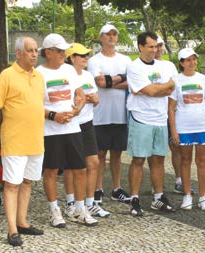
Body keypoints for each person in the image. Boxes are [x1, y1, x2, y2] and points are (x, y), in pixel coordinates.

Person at [37, 33, 98, 227]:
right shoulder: (38, 73)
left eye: (64, 50)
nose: (64, 54)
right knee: (52, 170)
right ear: (48, 52)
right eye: (59, 50)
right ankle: (54, 210)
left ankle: (80, 209)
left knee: (80, 168)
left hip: (72, 127)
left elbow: (80, 95)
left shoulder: (70, 71)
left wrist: (76, 110)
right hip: (50, 129)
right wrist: (53, 116)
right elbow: (34, 104)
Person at [0, 36, 45, 247]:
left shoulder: (39, 76)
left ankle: (22, 221)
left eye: (36, 50)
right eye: (30, 51)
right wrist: (5, 127)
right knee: (12, 184)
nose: (34, 54)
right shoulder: (7, 75)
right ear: (18, 53)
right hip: (14, 140)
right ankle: (12, 229)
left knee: (28, 181)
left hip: (35, 139)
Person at [126, 31, 175, 216]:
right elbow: (151, 90)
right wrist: (160, 88)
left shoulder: (166, 66)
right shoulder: (134, 67)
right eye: (150, 46)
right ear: (140, 46)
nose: (154, 50)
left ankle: (158, 198)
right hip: (141, 118)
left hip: (161, 119)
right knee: (138, 159)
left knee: (158, 159)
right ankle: (134, 199)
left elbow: (168, 89)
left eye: (156, 46)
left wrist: (155, 90)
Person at [64, 43, 110, 218]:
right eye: (81, 55)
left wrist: (94, 99)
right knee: (71, 166)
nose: (85, 58)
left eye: (87, 55)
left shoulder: (88, 75)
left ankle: (90, 203)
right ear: (71, 58)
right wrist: (79, 100)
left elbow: (96, 98)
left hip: (87, 123)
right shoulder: (65, 76)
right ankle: (70, 203)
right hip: (70, 124)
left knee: (93, 162)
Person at [168, 48, 205, 211]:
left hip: (203, 125)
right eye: (188, 60)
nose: (192, 62)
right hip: (184, 126)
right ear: (181, 63)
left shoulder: (204, 79)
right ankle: (187, 195)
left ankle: (203, 196)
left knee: (202, 161)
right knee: (185, 160)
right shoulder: (175, 80)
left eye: (194, 59)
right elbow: (171, 108)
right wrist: (174, 131)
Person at [87, 24, 132, 204]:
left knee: (117, 153)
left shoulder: (126, 60)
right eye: (108, 34)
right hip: (100, 115)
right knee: (99, 153)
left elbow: (132, 83)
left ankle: (116, 188)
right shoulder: (94, 60)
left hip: (120, 113)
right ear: (101, 38)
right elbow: (99, 82)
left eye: (114, 34)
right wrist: (122, 77)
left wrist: (110, 80)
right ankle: (98, 189)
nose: (111, 37)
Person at [154, 37, 185, 194]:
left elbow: (175, 87)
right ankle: (156, 184)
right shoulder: (145, 66)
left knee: (176, 147)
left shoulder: (169, 65)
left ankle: (179, 180)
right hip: (154, 114)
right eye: (155, 46)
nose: (158, 49)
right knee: (156, 151)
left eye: (160, 46)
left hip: (171, 112)